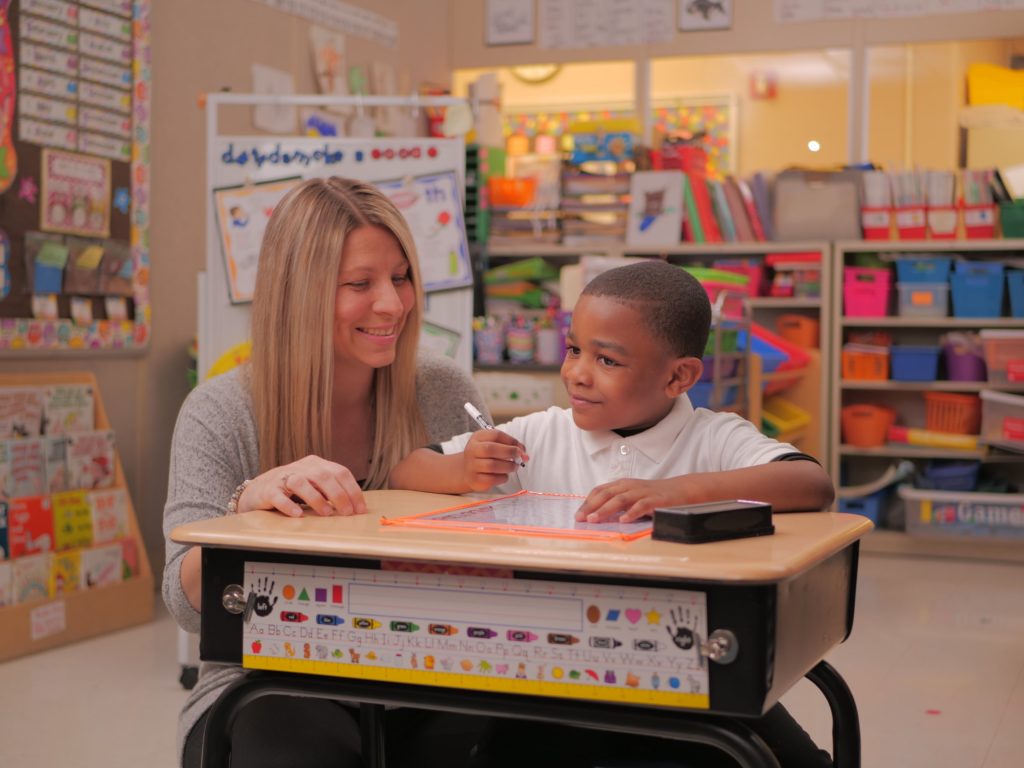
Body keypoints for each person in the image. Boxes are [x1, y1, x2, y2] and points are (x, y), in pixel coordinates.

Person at [390, 260, 835, 768]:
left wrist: (676, 492)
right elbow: (407, 469)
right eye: (575, 349)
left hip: (687, 669)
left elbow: (810, 483)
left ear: (678, 376)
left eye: (607, 361)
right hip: (553, 672)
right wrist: (463, 470)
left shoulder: (714, 438)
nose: (576, 373)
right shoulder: (540, 434)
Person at [162, 177, 491, 768]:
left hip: (434, 668)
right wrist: (246, 511)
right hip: (267, 681)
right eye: (359, 284)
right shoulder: (221, 412)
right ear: (299, 294)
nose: (391, 303)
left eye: (402, 277)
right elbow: (187, 606)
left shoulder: (442, 390)